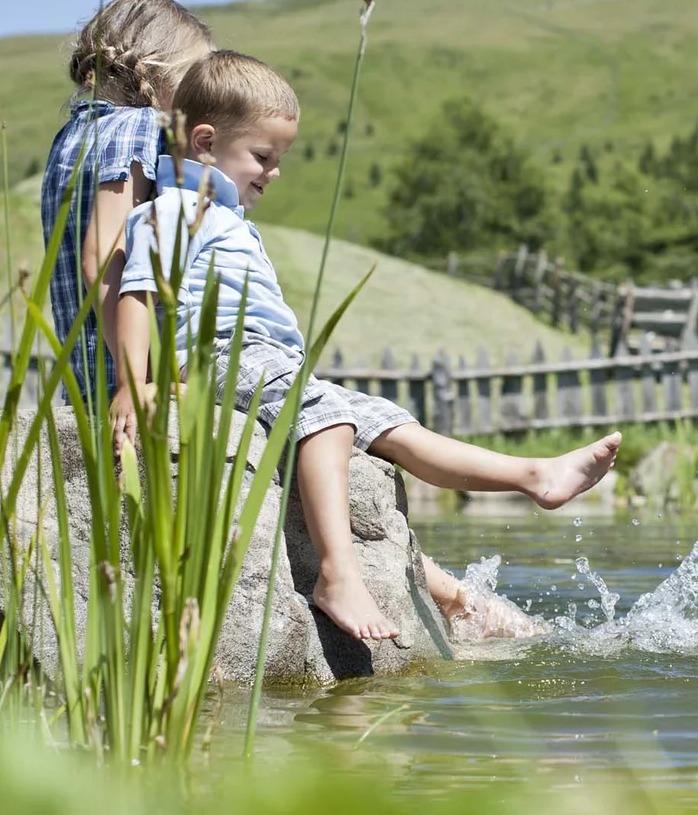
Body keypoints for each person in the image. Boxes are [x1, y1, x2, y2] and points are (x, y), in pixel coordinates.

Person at [112, 51, 620, 642]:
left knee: (388, 423)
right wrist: (132, 382)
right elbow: (138, 292)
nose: (274, 173)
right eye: (264, 157)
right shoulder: (173, 210)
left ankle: (534, 476)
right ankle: (337, 574)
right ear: (203, 141)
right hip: (224, 353)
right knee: (328, 420)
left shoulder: (223, 215)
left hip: (273, 364)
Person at [39, 0, 215, 405]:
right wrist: (139, 378)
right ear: (161, 70)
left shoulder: (72, 134)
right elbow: (102, 254)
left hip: (85, 374)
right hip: (126, 375)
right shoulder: (139, 126)